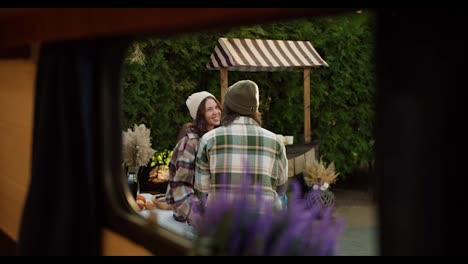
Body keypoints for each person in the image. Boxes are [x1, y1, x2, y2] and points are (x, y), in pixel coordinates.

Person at [194, 80, 288, 212]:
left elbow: (201, 192)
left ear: (227, 107)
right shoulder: (276, 141)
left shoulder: (209, 139)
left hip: (221, 223)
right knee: (283, 200)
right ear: (255, 109)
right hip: (263, 225)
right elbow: (281, 187)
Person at [165, 91, 222, 223]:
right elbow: (180, 184)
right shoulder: (191, 142)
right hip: (188, 214)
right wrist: (194, 216)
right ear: (200, 115)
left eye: (216, 107)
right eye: (209, 109)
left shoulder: (214, 138)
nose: (216, 112)